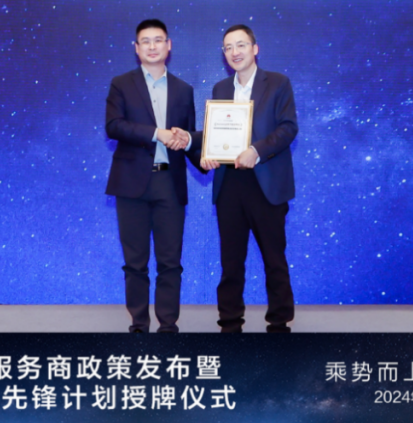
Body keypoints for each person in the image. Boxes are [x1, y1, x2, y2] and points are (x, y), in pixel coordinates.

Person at [196, 24, 297, 333]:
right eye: (228, 47)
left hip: (266, 184)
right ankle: (229, 324)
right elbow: (215, 135)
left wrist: (256, 150)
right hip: (229, 184)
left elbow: (288, 127)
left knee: (274, 259)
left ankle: (278, 323)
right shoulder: (220, 89)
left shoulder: (278, 83)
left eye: (241, 45)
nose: (234, 52)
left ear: (255, 48)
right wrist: (207, 153)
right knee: (231, 261)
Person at [104, 19, 195, 333]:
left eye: (158, 40)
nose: (152, 46)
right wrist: (157, 133)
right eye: (146, 41)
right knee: (135, 262)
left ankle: (168, 326)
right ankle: (139, 326)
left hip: (170, 183)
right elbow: (113, 125)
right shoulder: (121, 84)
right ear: (136, 48)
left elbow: (187, 138)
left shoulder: (184, 89)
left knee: (170, 262)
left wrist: (204, 151)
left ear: (169, 45)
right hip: (131, 184)